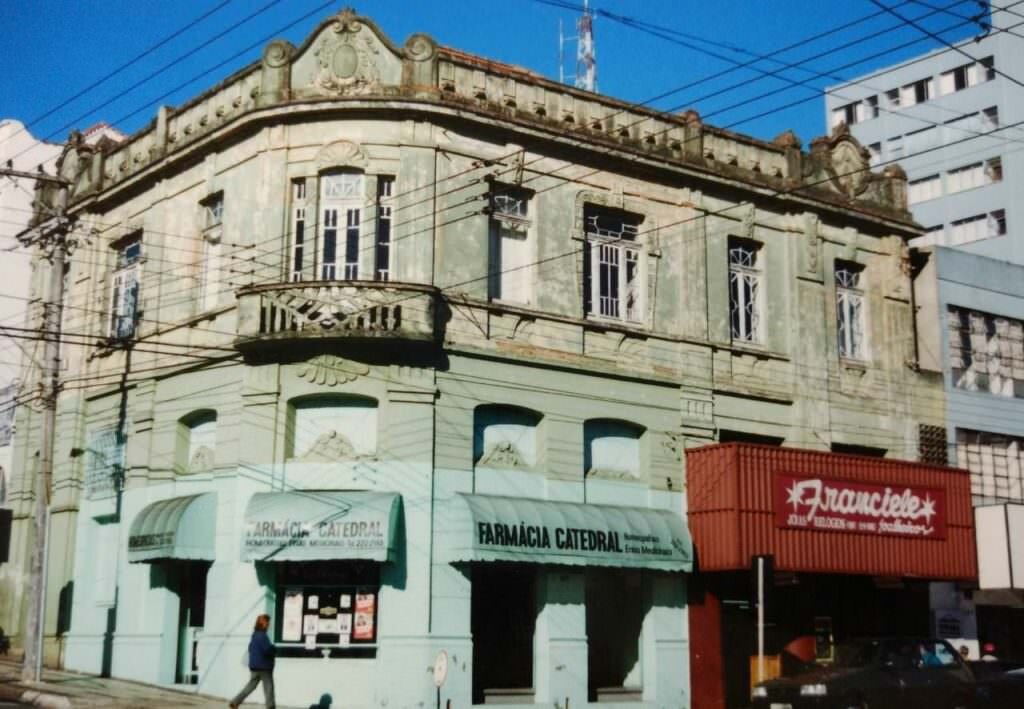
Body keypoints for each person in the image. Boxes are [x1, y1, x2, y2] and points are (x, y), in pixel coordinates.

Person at [230, 614, 276, 709]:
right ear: (263, 624)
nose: (268, 625)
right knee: (269, 688)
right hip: (264, 667)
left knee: (250, 686)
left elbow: (250, 648)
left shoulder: (254, 635)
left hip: (254, 666)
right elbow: (267, 649)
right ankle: (271, 707)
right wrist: (274, 649)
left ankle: (235, 702)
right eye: (267, 623)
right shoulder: (262, 636)